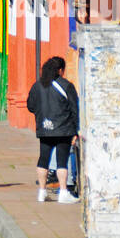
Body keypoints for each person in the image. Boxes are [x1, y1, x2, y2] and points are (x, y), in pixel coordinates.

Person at [26, 55, 80, 203]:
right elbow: (74, 109)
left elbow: (30, 105)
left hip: (44, 128)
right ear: (61, 70)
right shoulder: (67, 86)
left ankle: (42, 192)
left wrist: (42, 114)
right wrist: (76, 130)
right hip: (64, 129)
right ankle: (63, 192)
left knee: (43, 159)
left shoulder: (37, 85)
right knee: (62, 160)